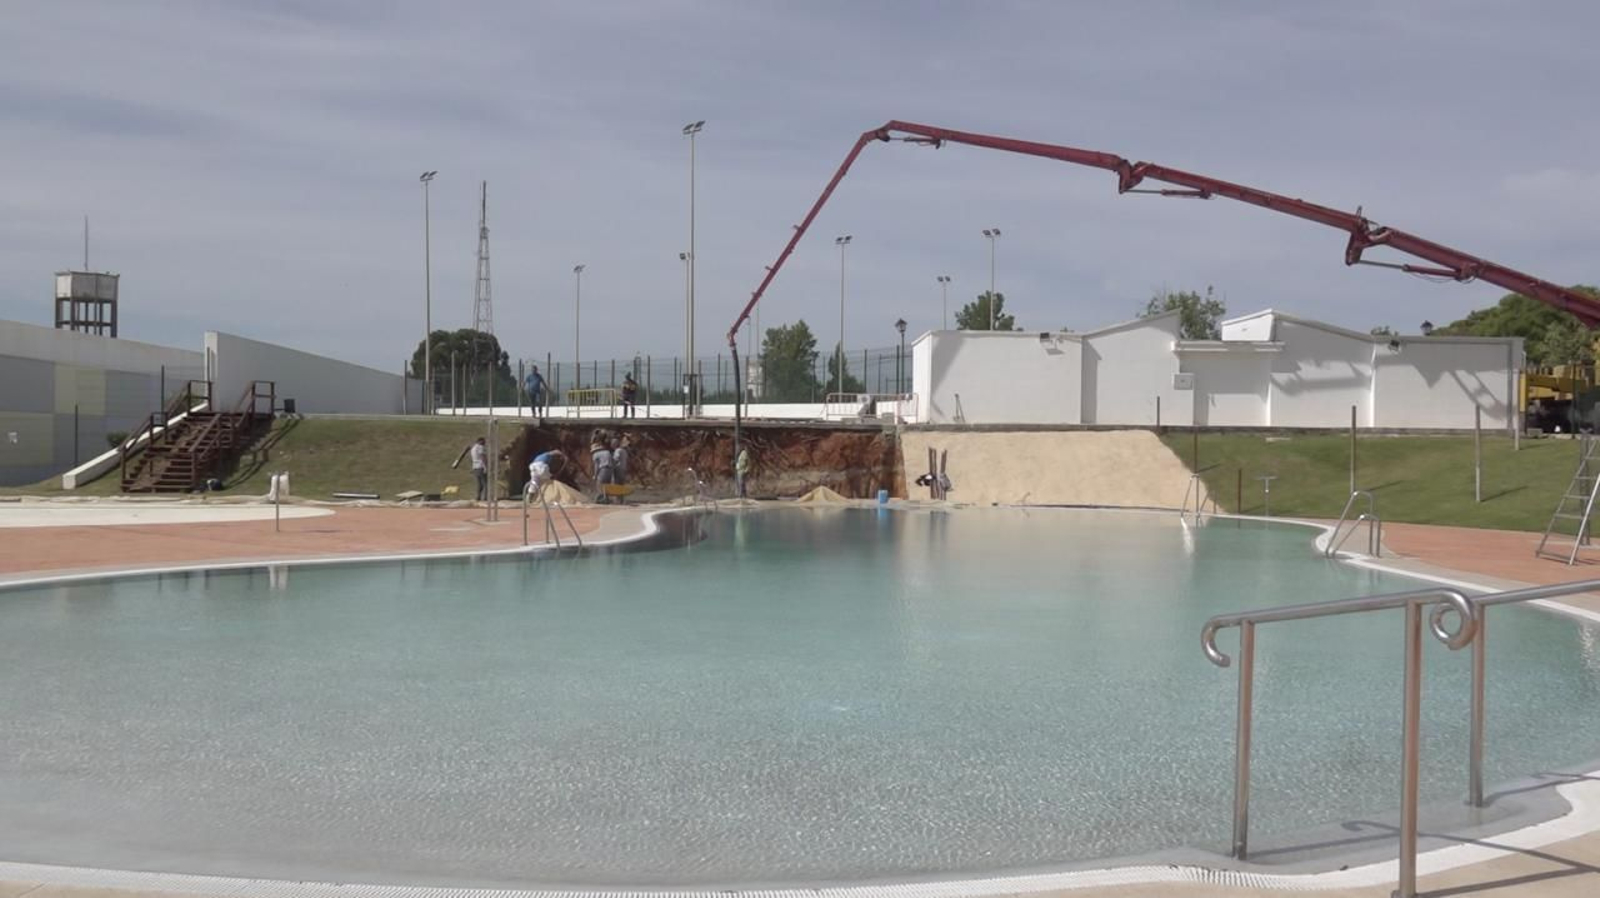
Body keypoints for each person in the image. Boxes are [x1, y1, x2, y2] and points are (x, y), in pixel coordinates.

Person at [454, 437, 489, 501]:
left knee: (479, 484)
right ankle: (485, 498)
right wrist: (486, 466)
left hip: (475, 467)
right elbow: (483, 457)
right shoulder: (480, 447)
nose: (485, 443)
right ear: (480, 441)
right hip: (481, 466)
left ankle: (478, 497)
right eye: (484, 441)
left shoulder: (473, 448)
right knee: (485, 483)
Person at [590, 432, 615, 503]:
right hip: (610, 469)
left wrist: (595, 475)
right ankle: (606, 498)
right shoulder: (607, 452)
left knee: (599, 484)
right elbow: (612, 462)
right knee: (606, 485)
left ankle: (599, 499)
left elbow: (596, 466)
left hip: (603, 469)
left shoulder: (596, 455)